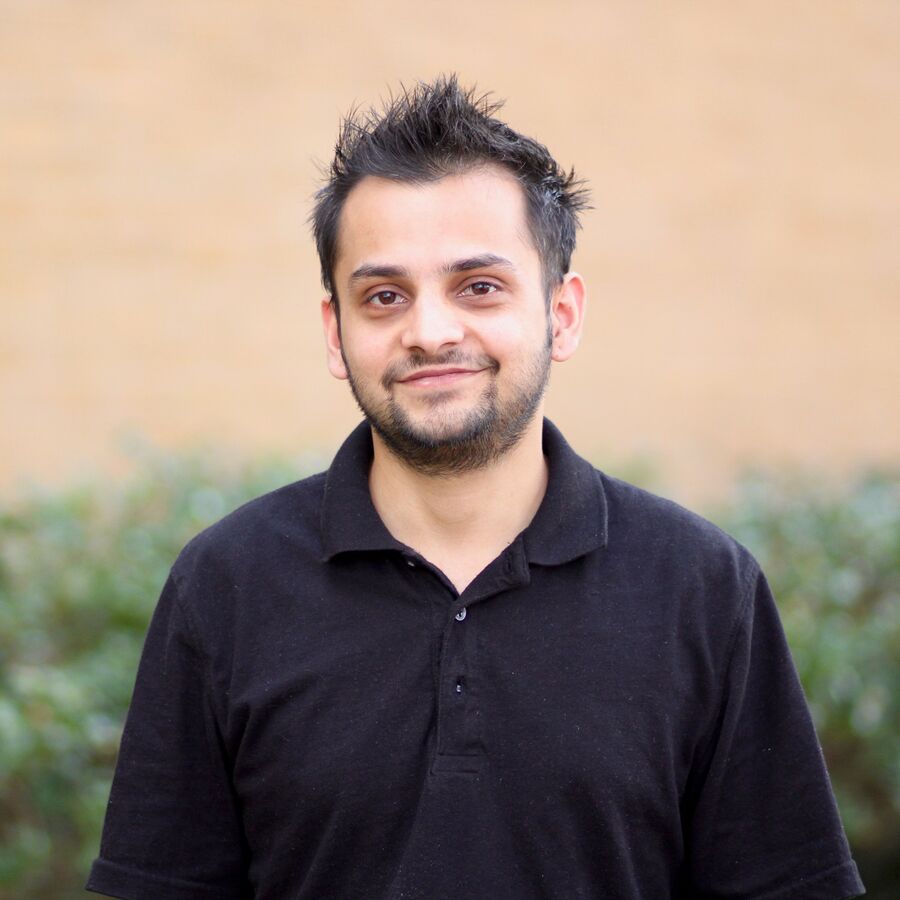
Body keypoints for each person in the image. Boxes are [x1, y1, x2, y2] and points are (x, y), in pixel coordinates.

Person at [86, 76, 864, 900]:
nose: (430, 331)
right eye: (384, 296)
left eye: (479, 287)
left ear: (561, 316)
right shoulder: (227, 586)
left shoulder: (703, 589)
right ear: (335, 333)